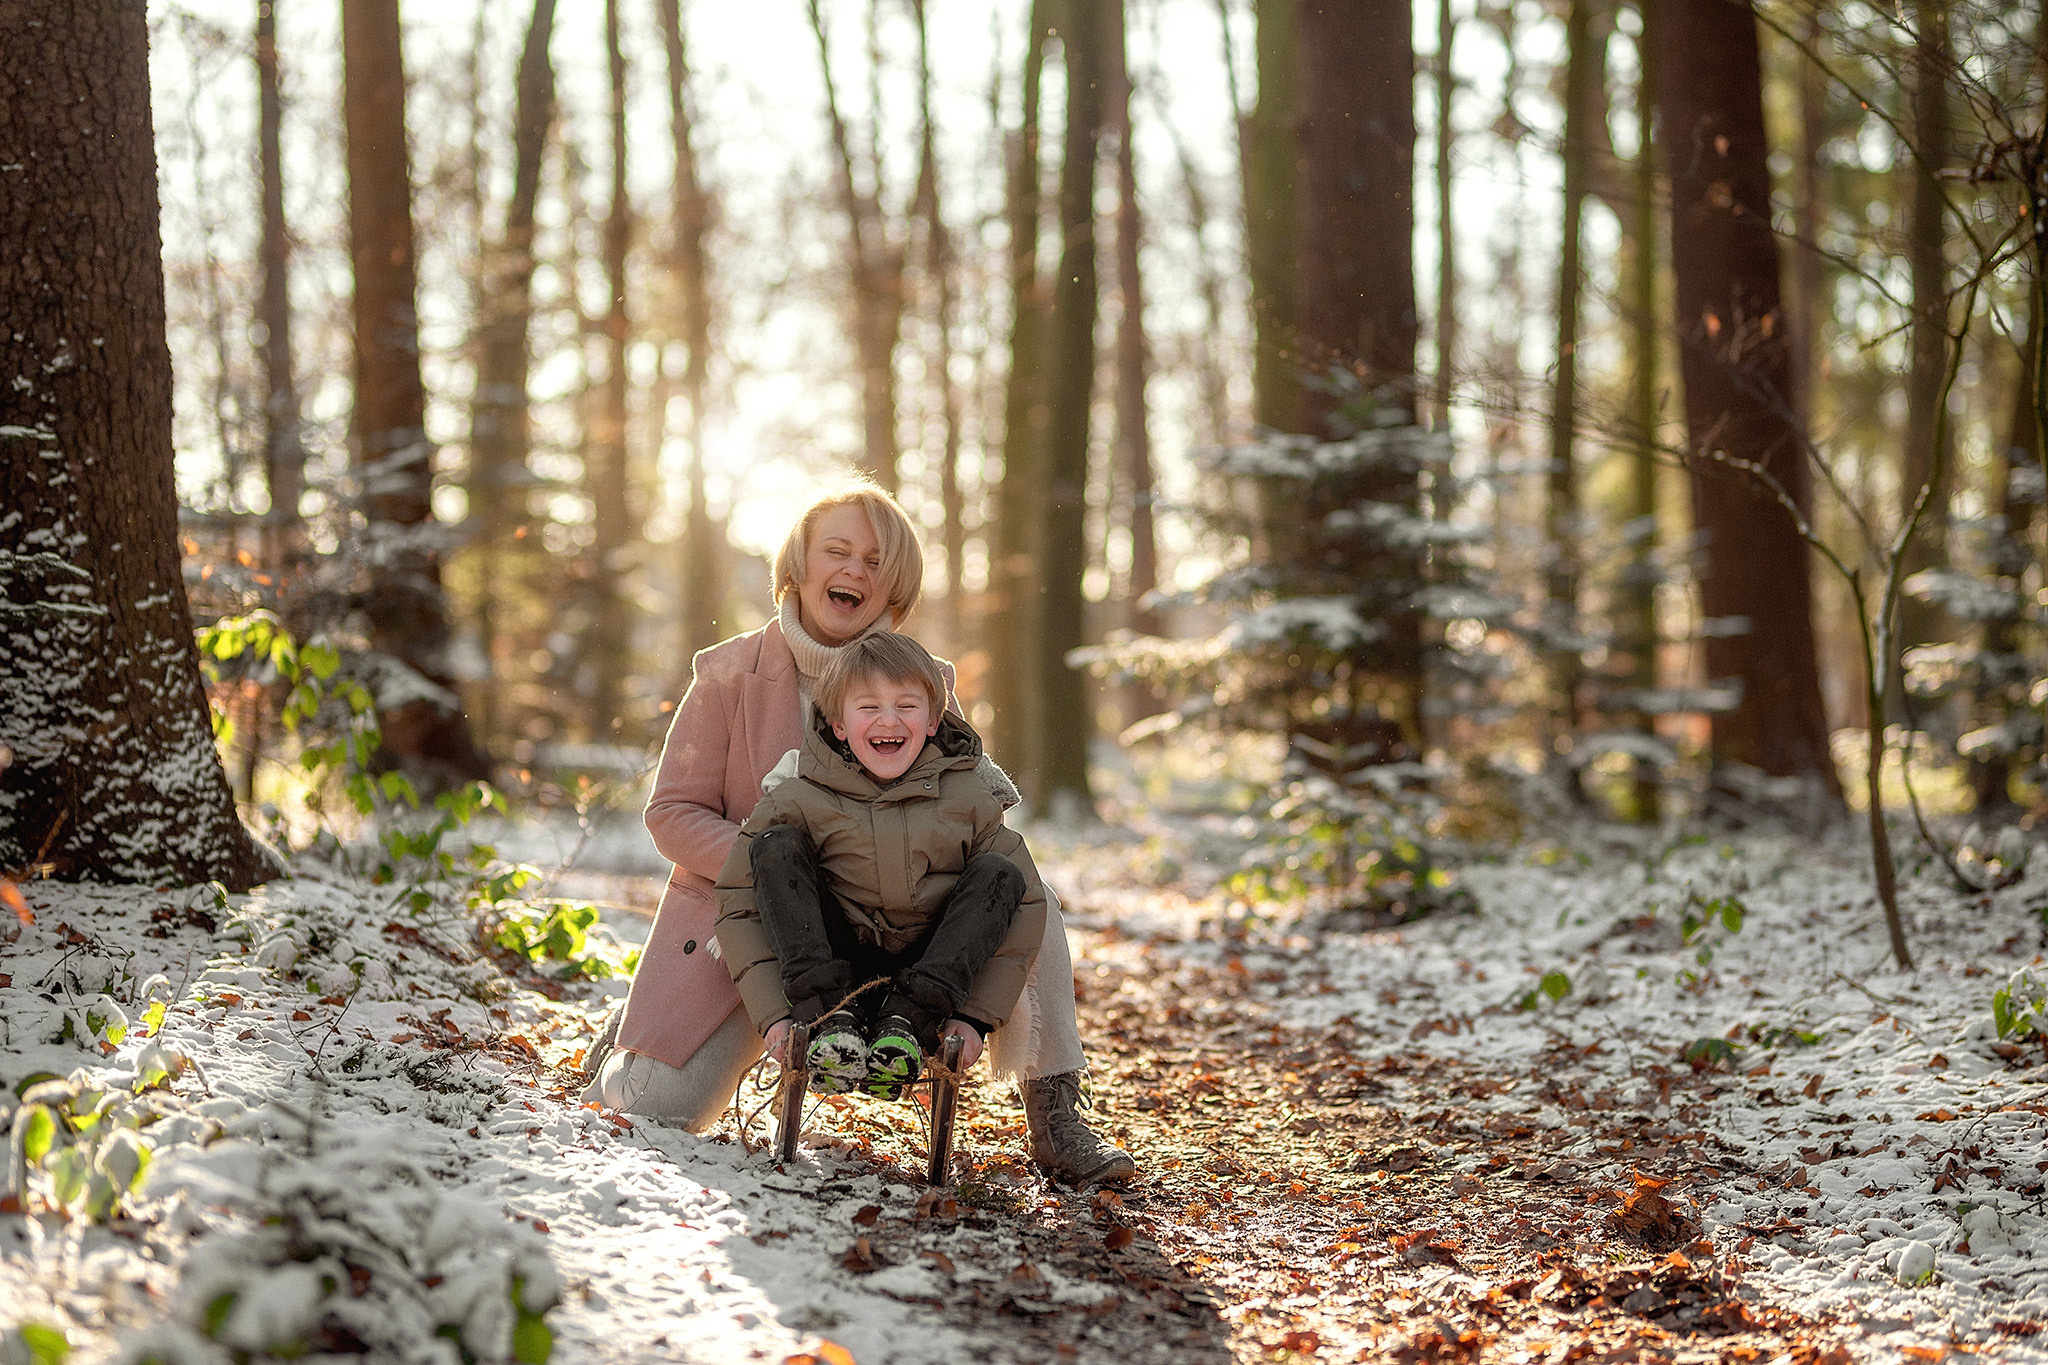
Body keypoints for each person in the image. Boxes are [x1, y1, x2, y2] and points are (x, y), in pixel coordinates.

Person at [585, 478, 1135, 1186]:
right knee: (652, 1108)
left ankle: (1057, 1113)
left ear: (894, 586)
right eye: (837, 551)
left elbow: (969, 814)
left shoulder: (925, 683)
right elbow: (671, 814)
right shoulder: (726, 675)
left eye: (875, 562)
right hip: (766, 922)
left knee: (1027, 892)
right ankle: (635, 1021)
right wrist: (791, 876)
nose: (853, 571)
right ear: (801, 565)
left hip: (904, 922)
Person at [715, 632, 1047, 1099]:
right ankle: (832, 1026)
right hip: (831, 967)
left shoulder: (969, 799)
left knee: (1002, 875)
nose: (888, 720)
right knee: (775, 847)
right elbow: (739, 903)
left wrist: (973, 1017)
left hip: (929, 975)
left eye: (906, 706)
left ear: (933, 721)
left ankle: (902, 1033)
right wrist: (774, 1014)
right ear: (838, 725)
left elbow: (1027, 904)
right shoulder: (797, 797)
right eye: (868, 706)